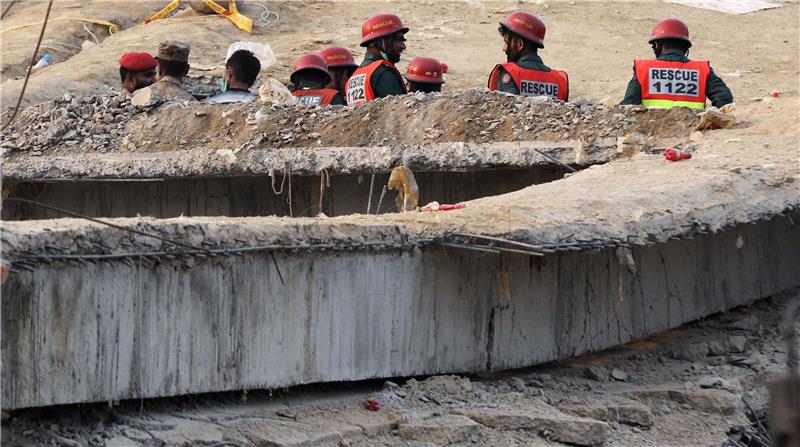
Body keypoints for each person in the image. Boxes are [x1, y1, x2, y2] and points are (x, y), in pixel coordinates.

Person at [620, 18, 732, 109]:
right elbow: (725, 99)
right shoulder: (702, 70)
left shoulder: (643, 69)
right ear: (685, 46)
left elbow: (628, 106)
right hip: (692, 128)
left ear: (658, 44)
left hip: (654, 128)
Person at [487, 11, 569, 101]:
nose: (504, 48)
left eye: (507, 42)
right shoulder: (560, 79)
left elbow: (508, 111)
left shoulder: (510, 72)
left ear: (520, 44)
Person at [345, 13, 408, 104]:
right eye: (398, 40)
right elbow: (400, 114)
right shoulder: (382, 73)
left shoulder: (352, 79)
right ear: (380, 41)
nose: (403, 46)